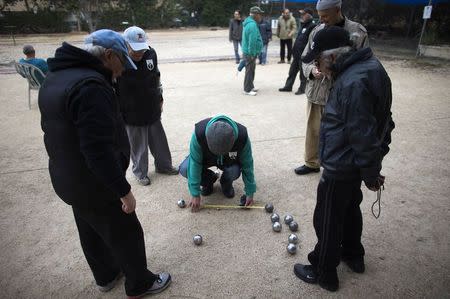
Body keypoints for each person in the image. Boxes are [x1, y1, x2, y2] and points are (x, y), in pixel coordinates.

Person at [38, 29, 171, 298]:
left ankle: (107, 276)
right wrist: (123, 190)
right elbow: (97, 150)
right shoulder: (91, 87)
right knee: (126, 230)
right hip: (95, 181)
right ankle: (139, 283)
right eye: (123, 62)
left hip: (67, 177)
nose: (122, 72)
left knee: (89, 227)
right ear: (109, 55)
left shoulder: (56, 77)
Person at [292, 26, 395, 292]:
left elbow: (363, 133)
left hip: (342, 164)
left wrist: (370, 172)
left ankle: (323, 271)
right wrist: (370, 166)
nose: (317, 67)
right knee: (349, 209)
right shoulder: (370, 68)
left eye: (318, 60)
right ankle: (354, 254)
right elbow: (383, 122)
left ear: (333, 56)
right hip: (354, 163)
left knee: (327, 217)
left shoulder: (351, 83)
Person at [294, 0, 368, 175]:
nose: (322, 20)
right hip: (317, 91)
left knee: (340, 133)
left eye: (325, 16)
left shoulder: (357, 32)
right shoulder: (317, 31)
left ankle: (335, 166)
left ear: (337, 10)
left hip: (343, 94)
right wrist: (312, 70)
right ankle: (312, 162)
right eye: (320, 17)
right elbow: (306, 57)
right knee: (313, 130)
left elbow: (364, 63)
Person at [117, 26, 178, 187]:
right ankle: (140, 172)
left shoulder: (150, 53)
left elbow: (156, 76)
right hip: (131, 111)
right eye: (134, 49)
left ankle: (164, 166)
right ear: (125, 44)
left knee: (159, 141)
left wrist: (160, 97)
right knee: (138, 145)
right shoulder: (118, 59)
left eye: (141, 49)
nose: (139, 53)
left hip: (151, 106)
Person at [179, 115, 256, 212]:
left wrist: (250, 191)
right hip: (207, 162)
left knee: (234, 171)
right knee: (185, 168)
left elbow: (247, 165)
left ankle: (226, 183)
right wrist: (195, 193)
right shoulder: (199, 135)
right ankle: (208, 181)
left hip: (229, 163)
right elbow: (195, 163)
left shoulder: (242, 137)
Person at [279, 8, 316, 94]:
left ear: (309, 15)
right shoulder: (303, 25)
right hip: (297, 54)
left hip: (303, 55)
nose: (302, 15)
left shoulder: (312, 26)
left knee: (302, 74)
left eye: (304, 14)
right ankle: (288, 86)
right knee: (292, 71)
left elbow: (311, 42)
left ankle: (302, 89)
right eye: (301, 14)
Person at [241, 6, 264, 96]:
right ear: (255, 14)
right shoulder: (252, 25)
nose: (260, 16)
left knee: (251, 70)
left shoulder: (250, 23)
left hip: (249, 52)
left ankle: (250, 86)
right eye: (259, 14)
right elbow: (252, 41)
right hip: (250, 53)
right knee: (249, 71)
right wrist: (252, 53)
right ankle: (247, 89)